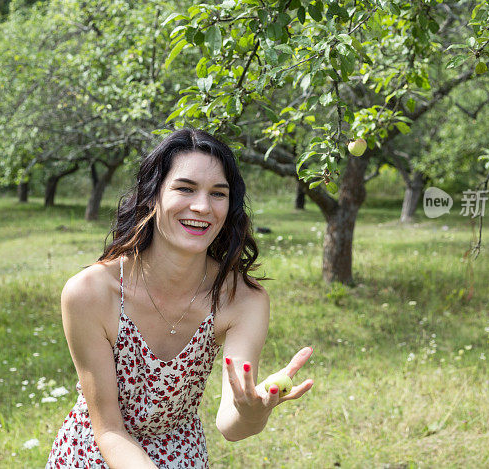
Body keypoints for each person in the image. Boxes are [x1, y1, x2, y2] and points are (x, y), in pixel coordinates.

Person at [46, 128, 314, 468]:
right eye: (185, 188)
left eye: (218, 194)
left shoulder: (242, 300)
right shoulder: (90, 293)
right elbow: (109, 429)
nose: (202, 207)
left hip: (181, 456)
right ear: (152, 196)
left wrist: (252, 413)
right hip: (93, 455)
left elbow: (231, 425)